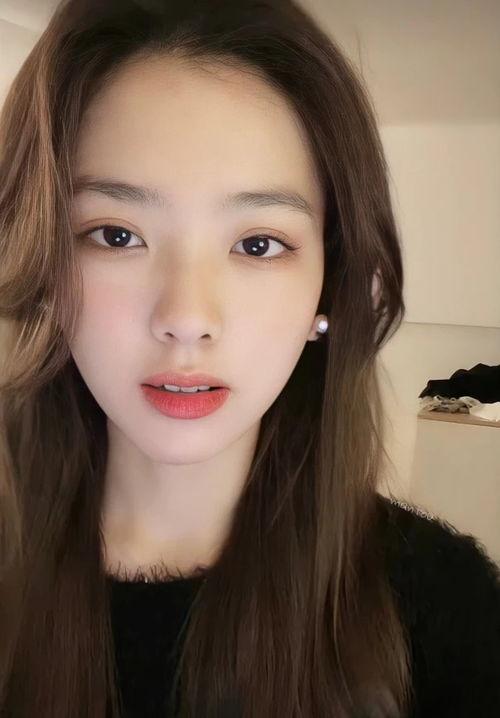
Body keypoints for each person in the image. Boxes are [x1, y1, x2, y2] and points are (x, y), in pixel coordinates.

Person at [0, 0, 498, 716]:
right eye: (116, 235)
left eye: (258, 244)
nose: (187, 318)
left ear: (328, 285)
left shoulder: (444, 613)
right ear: (43, 261)